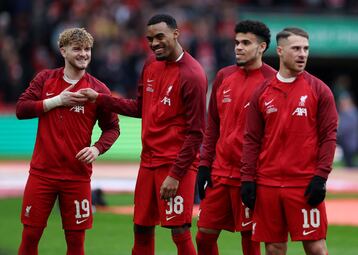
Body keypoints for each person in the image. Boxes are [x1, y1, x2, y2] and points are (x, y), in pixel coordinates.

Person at [80, 14, 207, 255]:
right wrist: (101, 99)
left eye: (160, 37)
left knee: (179, 232)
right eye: (150, 39)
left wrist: (175, 175)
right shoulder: (150, 65)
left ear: (176, 34)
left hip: (174, 164)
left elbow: (196, 133)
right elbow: (140, 107)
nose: (154, 43)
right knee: (141, 228)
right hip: (148, 162)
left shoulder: (193, 75)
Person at [16, 27, 120, 255]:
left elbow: (112, 128)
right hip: (42, 174)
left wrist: (96, 148)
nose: (84, 54)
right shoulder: (45, 79)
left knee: (75, 243)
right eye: (77, 49)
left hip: (77, 176)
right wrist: (56, 101)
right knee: (30, 237)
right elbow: (21, 109)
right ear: (63, 51)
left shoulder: (98, 89)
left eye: (87, 49)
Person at [241, 27, 338, 255]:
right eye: (296, 48)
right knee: (274, 248)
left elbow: (329, 137)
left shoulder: (320, 91)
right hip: (268, 183)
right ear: (280, 50)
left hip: (303, 182)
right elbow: (252, 140)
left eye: (306, 49)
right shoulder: (262, 92)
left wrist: (320, 177)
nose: (302, 54)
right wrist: (247, 179)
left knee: (315, 248)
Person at [195, 20, 275, 255]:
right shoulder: (223, 76)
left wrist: (258, 175)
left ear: (262, 47)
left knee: (250, 241)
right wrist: (204, 165)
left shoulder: (273, 81)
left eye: (246, 43)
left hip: (251, 176)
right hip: (220, 174)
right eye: (237, 42)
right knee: (204, 236)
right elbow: (213, 127)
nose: (238, 47)